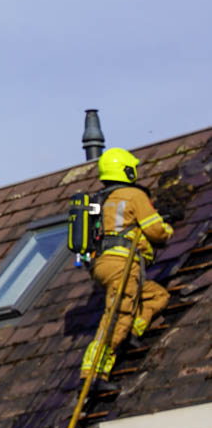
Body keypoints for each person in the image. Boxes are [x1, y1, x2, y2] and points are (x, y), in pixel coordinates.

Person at [82, 146, 174, 380]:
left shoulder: (100, 200)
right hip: (122, 264)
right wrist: (168, 228)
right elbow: (155, 230)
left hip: (101, 265)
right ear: (126, 171)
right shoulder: (133, 195)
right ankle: (93, 373)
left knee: (157, 296)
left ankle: (131, 331)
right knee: (117, 316)